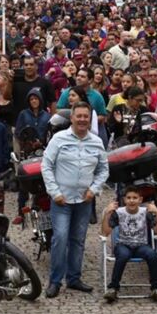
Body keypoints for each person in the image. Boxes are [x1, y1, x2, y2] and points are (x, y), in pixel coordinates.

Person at [41, 102, 108, 298]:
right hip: (61, 200)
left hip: (84, 201)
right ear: (71, 118)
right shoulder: (58, 139)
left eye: (85, 116)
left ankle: (74, 278)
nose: (82, 119)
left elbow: (104, 169)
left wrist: (94, 190)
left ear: (90, 119)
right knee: (60, 238)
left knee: (78, 240)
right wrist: (55, 192)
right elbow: (46, 165)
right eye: (78, 116)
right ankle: (55, 281)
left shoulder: (96, 142)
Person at [100, 186, 157, 303]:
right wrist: (107, 213)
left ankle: (156, 289)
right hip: (123, 245)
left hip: (141, 245)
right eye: (129, 198)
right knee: (123, 255)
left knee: (152, 254)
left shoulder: (145, 213)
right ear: (124, 200)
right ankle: (113, 288)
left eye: (135, 198)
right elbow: (105, 232)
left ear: (140, 200)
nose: (131, 200)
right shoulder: (118, 213)